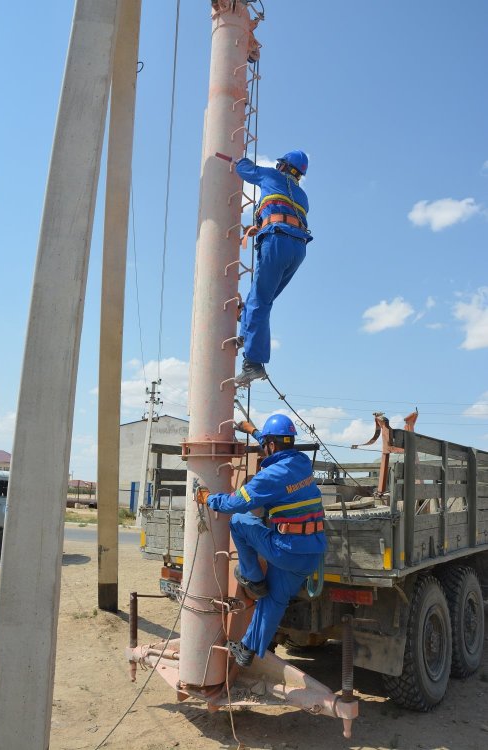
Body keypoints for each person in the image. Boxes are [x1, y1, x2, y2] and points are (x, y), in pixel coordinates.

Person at [197, 414, 326, 668]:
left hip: (286, 549)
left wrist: (208, 499)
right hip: (312, 553)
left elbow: (236, 503)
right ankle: (246, 649)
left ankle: (253, 578)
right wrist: (253, 430)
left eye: (265, 443)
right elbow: (278, 448)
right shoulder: (301, 463)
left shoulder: (271, 476)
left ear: (272, 445)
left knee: (239, 521)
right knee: (275, 598)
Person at [234, 151, 312, 386]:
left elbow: (245, 170)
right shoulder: (302, 195)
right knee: (260, 299)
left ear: (283, 166)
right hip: (298, 248)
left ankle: (253, 363)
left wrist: (238, 160)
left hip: (277, 241)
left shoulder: (270, 176)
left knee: (260, 301)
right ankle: (247, 336)